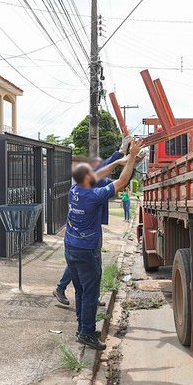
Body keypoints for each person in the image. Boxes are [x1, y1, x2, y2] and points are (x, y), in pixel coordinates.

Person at [65, 139, 141, 350]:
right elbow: (122, 182)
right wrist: (132, 156)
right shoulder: (92, 196)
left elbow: (99, 174)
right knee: (90, 292)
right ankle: (87, 334)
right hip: (86, 250)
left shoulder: (75, 191)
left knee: (80, 290)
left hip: (70, 247)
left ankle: (82, 328)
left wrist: (118, 161)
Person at [53, 139, 130, 306]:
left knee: (87, 261)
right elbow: (115, 176)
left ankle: (88, 296)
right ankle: (72, 291)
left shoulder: (81, 186)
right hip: (87, 233)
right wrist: (124, 157)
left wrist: (125, 158)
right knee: (87, 261)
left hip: (86, 230)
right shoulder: (90, 186)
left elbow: (117, 179)